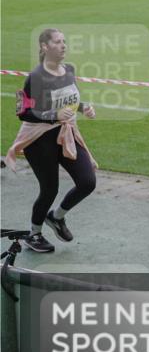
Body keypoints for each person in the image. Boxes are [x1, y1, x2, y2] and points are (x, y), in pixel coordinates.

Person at [4, 28, 97, 253]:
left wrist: (83, 107)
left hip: (65, 134)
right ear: (45, 47)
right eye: (58, 42)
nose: (63, 45)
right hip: (39, 140)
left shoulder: (70, 70)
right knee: (49, 189)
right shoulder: (35, 78)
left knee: (87, 182)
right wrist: (53, 116)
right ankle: (34, 234)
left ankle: (56, 217)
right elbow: (22, 111)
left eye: (64, 41)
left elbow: (70, 99)